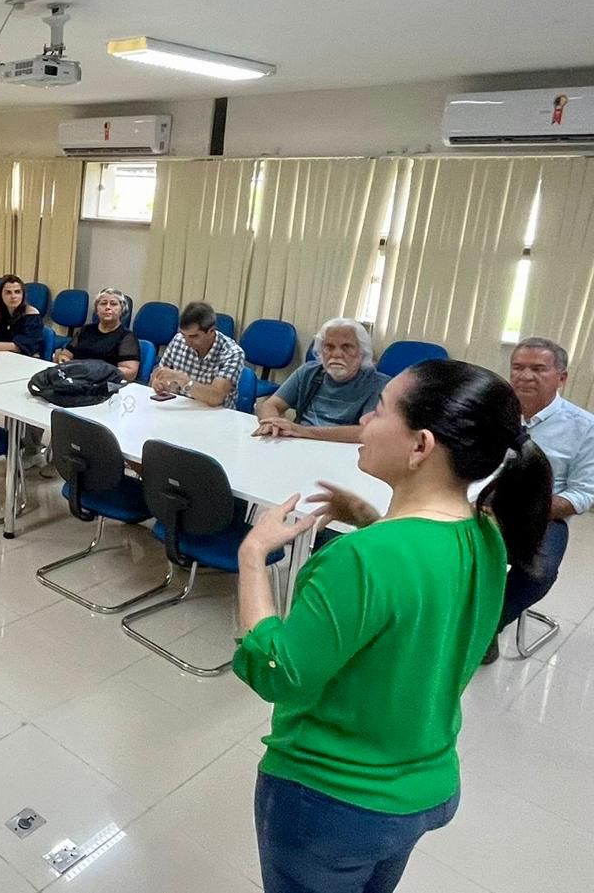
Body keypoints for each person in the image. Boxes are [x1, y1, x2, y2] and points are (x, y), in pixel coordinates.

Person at [232, 359, 551, 893]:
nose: (365, 420)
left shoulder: (361, 560)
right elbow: (415, 589)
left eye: (379, 411)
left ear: (421, 445)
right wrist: (371, 519)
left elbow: (278, 673)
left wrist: (252, 555)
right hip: (422, 788)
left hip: (333, 798)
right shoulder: (489, 533)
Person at [482, 336, 594, 664]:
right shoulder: (494, 411)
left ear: (561, 377)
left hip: (542, 513)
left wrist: (518, 510)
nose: (525, 376)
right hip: (479, 502)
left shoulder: (585, 427)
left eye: (538, 369)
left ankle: (487, 627)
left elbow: (584, 493)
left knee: (538, 572)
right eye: (518, 368)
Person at [254, 318, 389, 442]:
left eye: (346, 347)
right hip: (301, 445)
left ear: (363, 352)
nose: (336, 354)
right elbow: (271, 405)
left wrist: (301, 430)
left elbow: (368, 431)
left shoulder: (379, 385)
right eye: (329, 347)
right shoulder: (308, 372)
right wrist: (272, 423)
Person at [150, 300, 245, 409]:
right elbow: (158, 374)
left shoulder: (232, 353)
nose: (186, 342)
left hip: (215, 413)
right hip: (181, 407)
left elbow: (216, 398)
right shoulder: (178, 340)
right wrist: (158, 383)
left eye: (193, 336)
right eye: (183, 335)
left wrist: (184, 381)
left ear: (211, 331)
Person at [51, 286, 139, 381]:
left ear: (122, 310)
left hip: (103, 384)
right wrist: (62, 360)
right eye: (103, 303)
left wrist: (95, 372)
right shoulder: (86, 330)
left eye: (113, 304)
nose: (108, 307)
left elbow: (130, 372)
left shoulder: (127, 337)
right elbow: (66, 355)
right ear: (97, 310)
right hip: (76, 378)